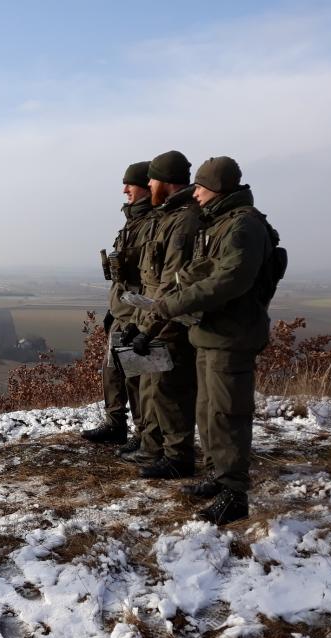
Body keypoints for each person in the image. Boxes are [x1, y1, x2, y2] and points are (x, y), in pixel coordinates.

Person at [153, 157, 274, 524]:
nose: (198, 195)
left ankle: (234, 493)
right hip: (211, 333)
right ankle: (217, 475)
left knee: (227, 413)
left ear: (218, 188)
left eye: (202, 188)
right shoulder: (220, 224)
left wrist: (172, 303)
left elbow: (229, 281)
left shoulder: (243, 226)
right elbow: (205, 271)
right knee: (208, 413)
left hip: (232, 335)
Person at [123, 150, 201, 479]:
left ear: (165, 182)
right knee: (157, 388)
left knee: (170, 390)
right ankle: (157, 449)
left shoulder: (184, 220)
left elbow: (171, 283)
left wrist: (150, 327)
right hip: (156, 316)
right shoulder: (168, 216)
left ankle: (176, 456)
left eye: (151, 179)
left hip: (170, 320)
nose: (145, 185)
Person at [82, 161, 154, 452]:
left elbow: (150, 279)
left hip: (138, 313)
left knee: (137, 377)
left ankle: (143, 434)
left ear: (147, 187)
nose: (125, 189)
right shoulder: (133, 222)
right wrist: (113, 310)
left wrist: (141, 318)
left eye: (130, 184)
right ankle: (115, 424)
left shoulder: (153, 223)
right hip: (121, 310)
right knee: (111, 371)